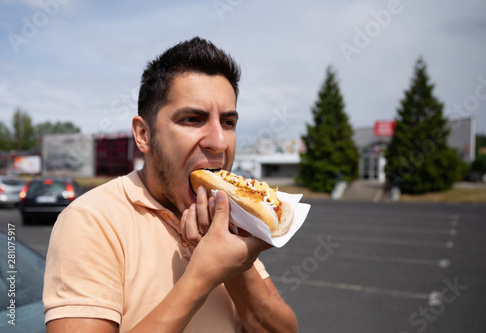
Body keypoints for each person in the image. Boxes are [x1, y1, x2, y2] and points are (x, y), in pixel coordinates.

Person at [43, 37, 298, 332]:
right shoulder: (91, 220)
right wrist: (201, 278)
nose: (218, 142)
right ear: (144, 135)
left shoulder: (230, 217)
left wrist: (236, 270)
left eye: (228, 122)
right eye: (192, 119)